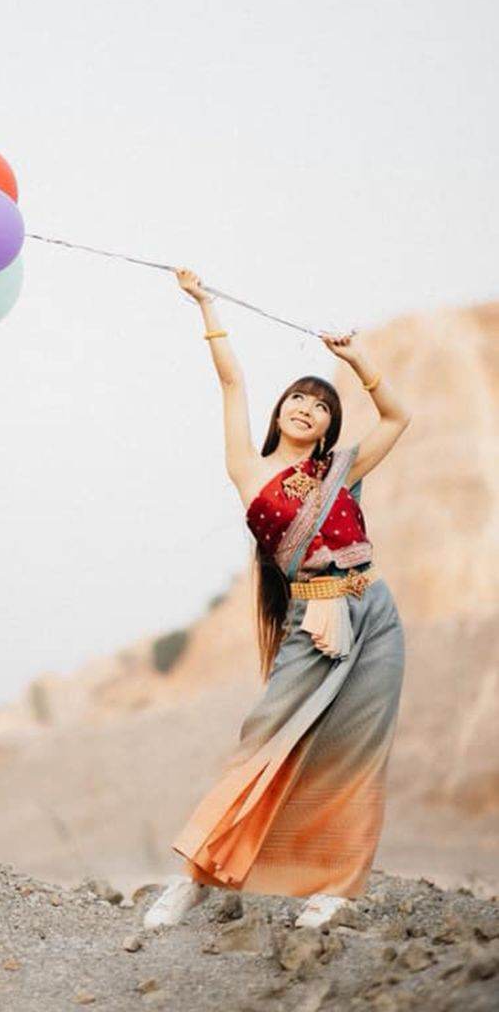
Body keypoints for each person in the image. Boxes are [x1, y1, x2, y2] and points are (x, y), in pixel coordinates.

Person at [143, 268, 410, 931]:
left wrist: (354, 360)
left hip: (370, 614)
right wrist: (205, 305)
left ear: (325, 429)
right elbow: (231, 382)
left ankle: (334, 887)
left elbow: (400, 416)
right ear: (279, 411)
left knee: (353, 753)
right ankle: (197, 878)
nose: (305, 407)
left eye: (319, 405)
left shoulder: (338, 471)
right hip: (309, 617)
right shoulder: (249, 469)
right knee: (260, 743)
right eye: (297, 396)